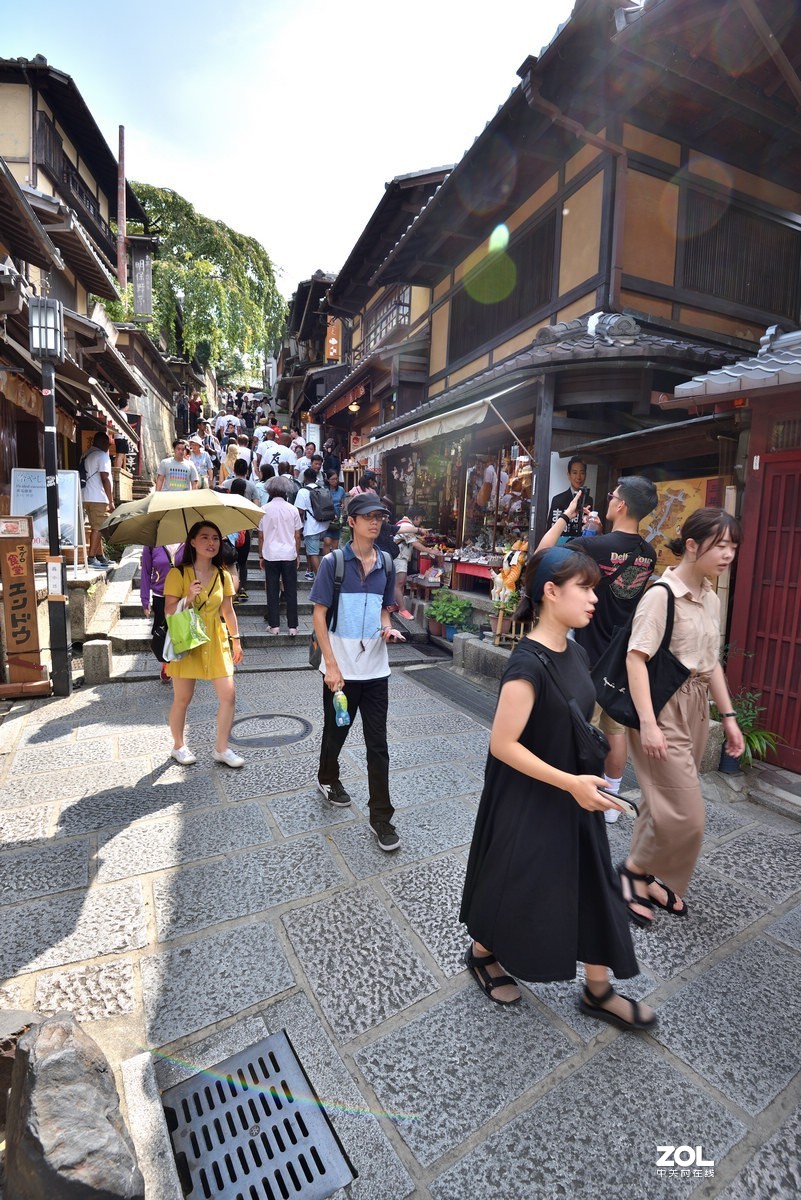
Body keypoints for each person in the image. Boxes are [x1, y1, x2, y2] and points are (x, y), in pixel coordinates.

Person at [460, 546, 656, 1031]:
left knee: (593, 885)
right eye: (584, 588)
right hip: (532, 797)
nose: (595, 598)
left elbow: (575, 717)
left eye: (594, 587)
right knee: (517, 881)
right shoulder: (526, 666)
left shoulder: (577, 650)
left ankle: (598, 989)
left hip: (575, 794)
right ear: (551, 592)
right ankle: (483, 952)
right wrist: (570, 782)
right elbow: (502, 744)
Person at [619, 508, 744, 926]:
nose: (728, 553)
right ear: (691, 545)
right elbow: (636, 659)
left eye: (733, 545)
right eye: (720, 544)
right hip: (662, 705)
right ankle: (634, 871)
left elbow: (711, 664)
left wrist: (727, 717)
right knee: (688, 815)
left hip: (695, 705)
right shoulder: (661, 595)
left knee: (661, 802)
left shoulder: (712, 597)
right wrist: (649, 723)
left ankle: (644, 875)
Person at [537, 476, 658, 823]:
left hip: (588, 648)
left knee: (580, 725)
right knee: (614, 728)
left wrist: (565, 516)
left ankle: (578, 790)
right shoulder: (648, 554)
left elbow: (544, 552)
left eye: (613, 495)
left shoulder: (594, 547)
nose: (609, 498)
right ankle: (612, 801)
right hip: (621, 652)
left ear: (620, 505)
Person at [310, 492, 406, 851]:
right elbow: (319, 615)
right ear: (351, 521)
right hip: (341, 670)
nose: (375, 521)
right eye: (367, 516)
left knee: (377, 744)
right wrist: (331, 666)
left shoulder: (386, 562)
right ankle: (327, 775)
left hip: (376, 668)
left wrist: (386, 627)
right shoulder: (333, 563)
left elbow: (384, 608)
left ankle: (381, 817)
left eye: (379, 516)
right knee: (337, 731)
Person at [164, 520, 245, 768]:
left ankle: (221, 748)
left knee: (228, 695)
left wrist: (236, 640)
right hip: (188, 640)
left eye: (215, 538)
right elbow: (168, 611)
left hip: (216, 637)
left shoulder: (223, 575)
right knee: (183, 698)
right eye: (205, 537)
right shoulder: (178, 573)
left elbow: (228, 611)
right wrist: (188, 597)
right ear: (192, 542)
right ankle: (179, 746)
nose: (211, 543)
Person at [258, 476, 302, 634]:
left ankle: (274, 625)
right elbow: (297, 536)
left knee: (272, 589)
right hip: (289, 554)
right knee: (291, 590)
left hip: (270, 554)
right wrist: (297, 555)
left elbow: (261, 536)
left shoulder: (264, 509)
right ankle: (293, 626)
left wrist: (261, 556)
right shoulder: (293, 509)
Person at [141, 542, 184, 683]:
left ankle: (181, 666)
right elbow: (146, 572)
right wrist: (145, 599)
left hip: (182, 596)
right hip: (160, 596)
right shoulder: (152, 544)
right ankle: (166, 663)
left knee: (181, 633)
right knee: (163, 633)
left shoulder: (188, 541)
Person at [393, 505, 443, 619]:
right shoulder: (406, 525)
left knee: (400, 582)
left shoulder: (405, 523)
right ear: (415, 517)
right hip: (399, 556)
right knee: (399, 582)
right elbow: (415, 544)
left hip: (400, 556)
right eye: (420, 519)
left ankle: (396, 605)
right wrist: (430, 550)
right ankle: (402, 609)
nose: (420, 521)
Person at [81, 431, 114, 568]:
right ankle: (91, 558)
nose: (108, 447)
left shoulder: (86, 454)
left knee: (96, 526)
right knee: (98, 527)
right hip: (98, 497)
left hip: (85, 495)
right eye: (108, 444)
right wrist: (111, 500)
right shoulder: (102, 455)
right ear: (103, 443)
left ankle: (100, 557)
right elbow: (105, 478)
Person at [295, 467, 330, 581]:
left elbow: (299, 511)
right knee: (311, 550)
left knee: (313, 553)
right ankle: (310, 573)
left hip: (311, 527)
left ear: (305, 478)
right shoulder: (322, 488)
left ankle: (321, 581)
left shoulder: (303, 491)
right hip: (324, 525)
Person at [548, 456, 592, 540]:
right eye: (575, 473)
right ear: (569, 475)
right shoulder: (558, 500)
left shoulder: (589, 500)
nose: (578, 477)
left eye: (582, 473)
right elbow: (551, 529)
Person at [322, 470, 346, 554]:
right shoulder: (324, 490)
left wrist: (342, 506)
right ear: (328, 480)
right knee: (327, 542)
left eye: (336, 479)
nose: (335, 481)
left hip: (337, 520)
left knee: (335, 544)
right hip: (328, 518)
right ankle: (326, 561)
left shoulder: (341, 490)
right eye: (333, 479)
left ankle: (334, 563)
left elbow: (343, 502)